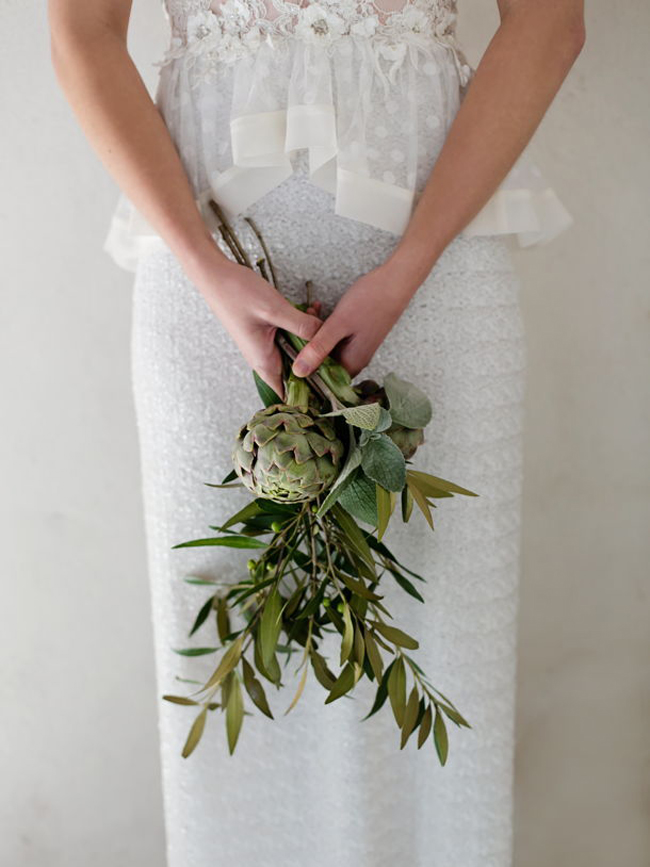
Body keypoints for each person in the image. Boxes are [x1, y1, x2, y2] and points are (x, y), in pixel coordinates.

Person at [49, 1, 585, 865]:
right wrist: (207, 272)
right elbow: (79, 30)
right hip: (209, 270)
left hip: (439, 259)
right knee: (225, 657)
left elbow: (551, 22)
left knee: (441, 642)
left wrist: (411, 265)